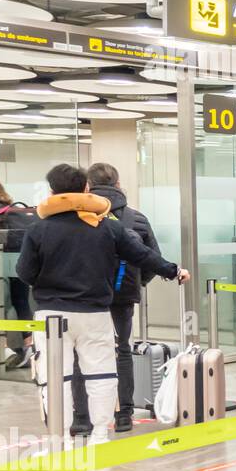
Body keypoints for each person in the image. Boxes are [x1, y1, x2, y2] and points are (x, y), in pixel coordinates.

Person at [17, 164, 187, 444]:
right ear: (85, 189)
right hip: (95, 312)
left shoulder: (38, 230)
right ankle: (99, 433)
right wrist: (174, 270)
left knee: (57, 377)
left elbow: (25, 273)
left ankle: (60, 437)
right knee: (101, 374)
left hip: (51, 316)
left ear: (51, 192)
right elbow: (142, 255)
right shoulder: (107, 227)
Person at [68, 163, 163, 435]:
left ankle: (82, 417)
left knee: (82, 354)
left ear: (88, 187)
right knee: (121, 350)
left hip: (85, 295)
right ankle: (124, 415)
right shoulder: (137, 219)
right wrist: (136, 282)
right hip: (122, 295)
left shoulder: (78, 216)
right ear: (118, 184)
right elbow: (151, 258)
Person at [0, 180, 35, 369]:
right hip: (19, 262)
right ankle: (29, 346)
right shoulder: (14, 210)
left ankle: (4, 347)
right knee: (21, 302)